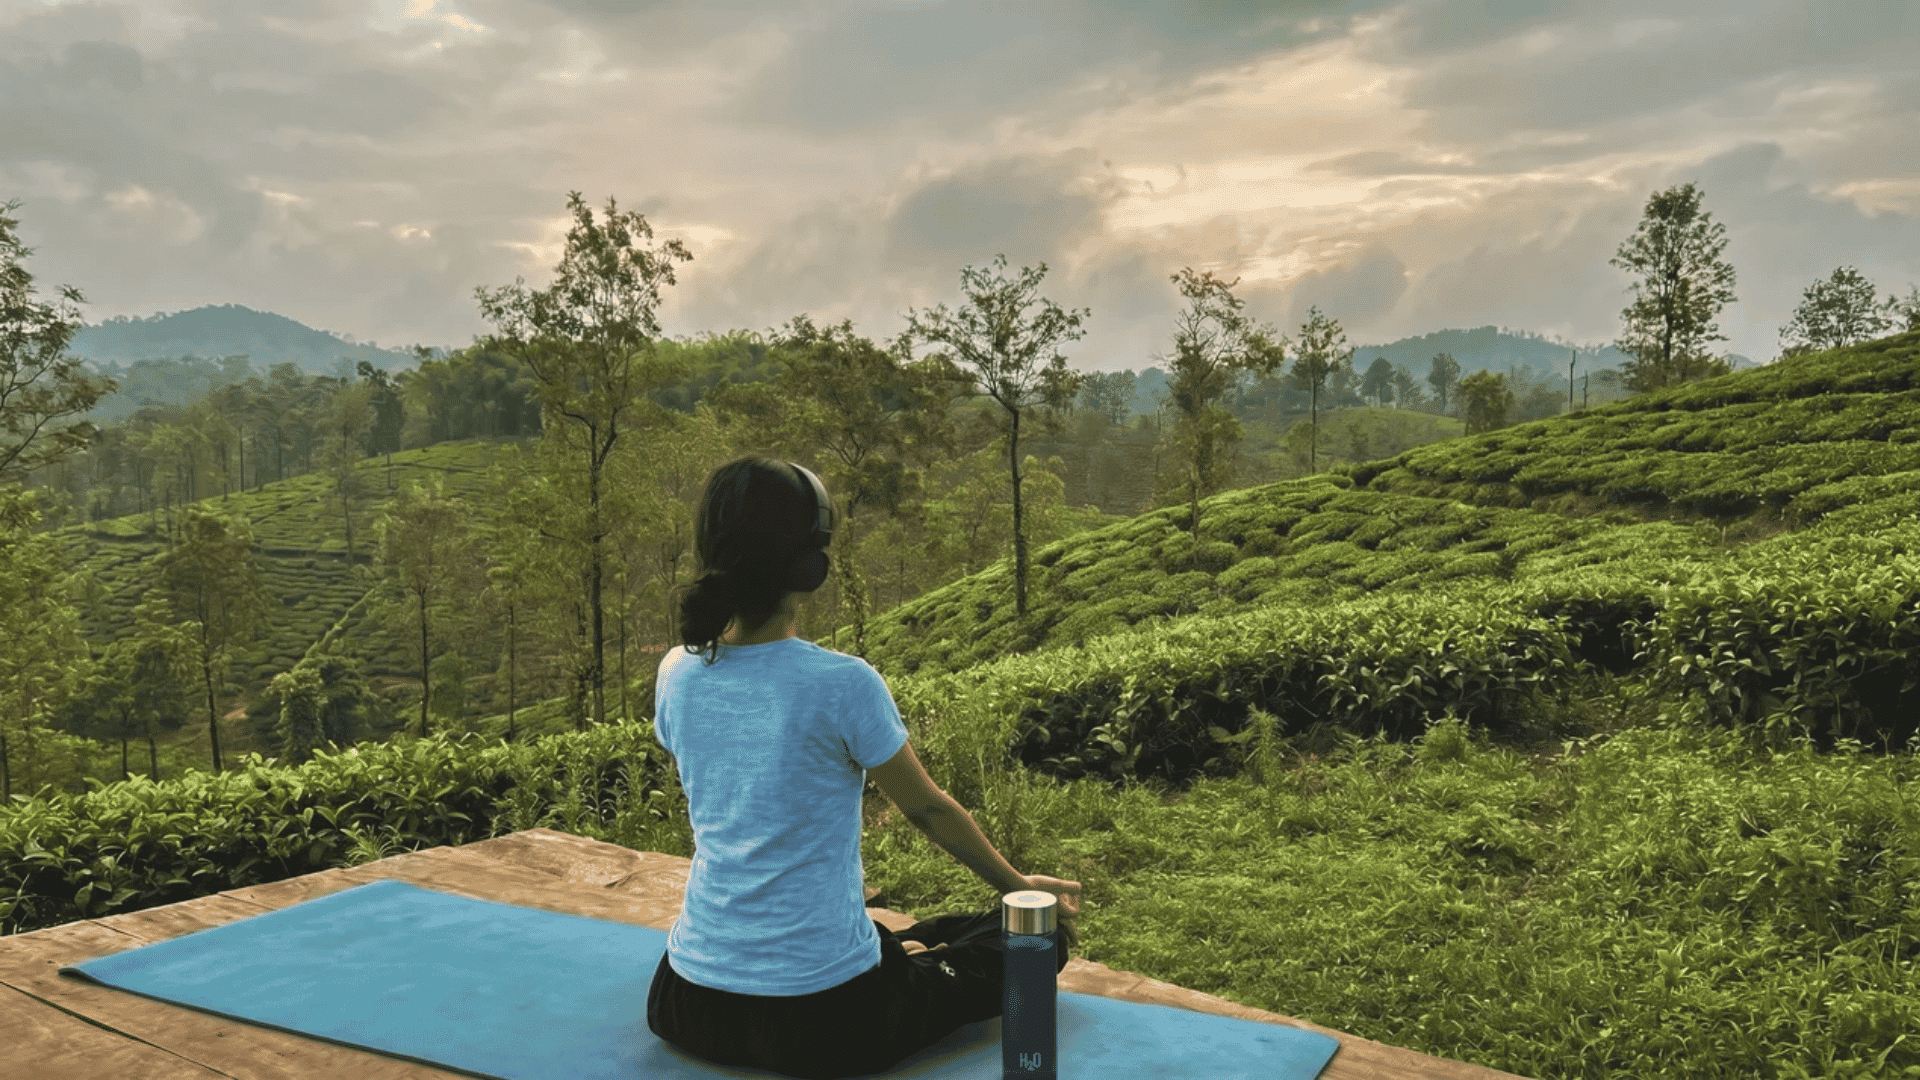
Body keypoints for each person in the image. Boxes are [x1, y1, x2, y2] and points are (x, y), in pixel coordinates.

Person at [645, 454, 1084, 1080]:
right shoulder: (841, 683)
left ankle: (899, 948)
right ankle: (933, 946)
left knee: (905, 932)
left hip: (687, 999)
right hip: (821, 1022)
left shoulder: (676, 672)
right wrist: (1020, 885)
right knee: (1032, 940)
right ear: (811, 565)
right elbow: (929, 810)